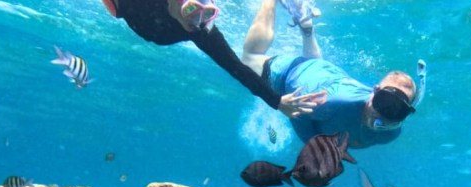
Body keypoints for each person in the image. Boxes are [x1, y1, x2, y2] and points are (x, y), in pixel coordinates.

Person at [242, 0, 419, 148]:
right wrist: (316, 147)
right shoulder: (335, 101)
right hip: (288, 73)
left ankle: (306, 26)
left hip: (324, 71)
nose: (383, 116)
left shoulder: (391, 134)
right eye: (384, 102)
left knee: (315, 66)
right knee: (249, 59)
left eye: (397, 111)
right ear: (375, 91)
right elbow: (298, 113)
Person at [101, 0, 323, 117]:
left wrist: (276, 101)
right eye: (194, 9)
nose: (198, 16)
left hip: (164, 27)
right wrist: (276, 101)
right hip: (153, 28)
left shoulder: (202, 31)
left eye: (204, 12)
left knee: (201, 25)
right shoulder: (152, 15)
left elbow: (237, 68)